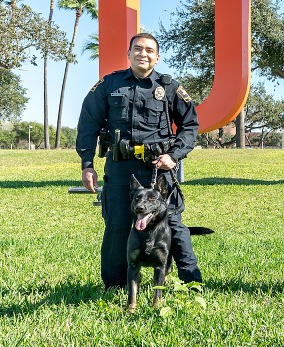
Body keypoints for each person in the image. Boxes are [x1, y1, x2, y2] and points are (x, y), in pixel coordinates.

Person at [76, 32, 203, 290]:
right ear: (129, 53)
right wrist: (86, 164)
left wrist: (173, 155)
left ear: (157, 57)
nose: (142, 54)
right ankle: (114, 285)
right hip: (120, 168)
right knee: (117, 225)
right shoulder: (109, 85)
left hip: (157, 169)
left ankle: (191, 282)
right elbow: (88, 123)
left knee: (173, 224)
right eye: (137, 48)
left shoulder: (169, 87)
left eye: (148, 50)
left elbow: (190, 125)